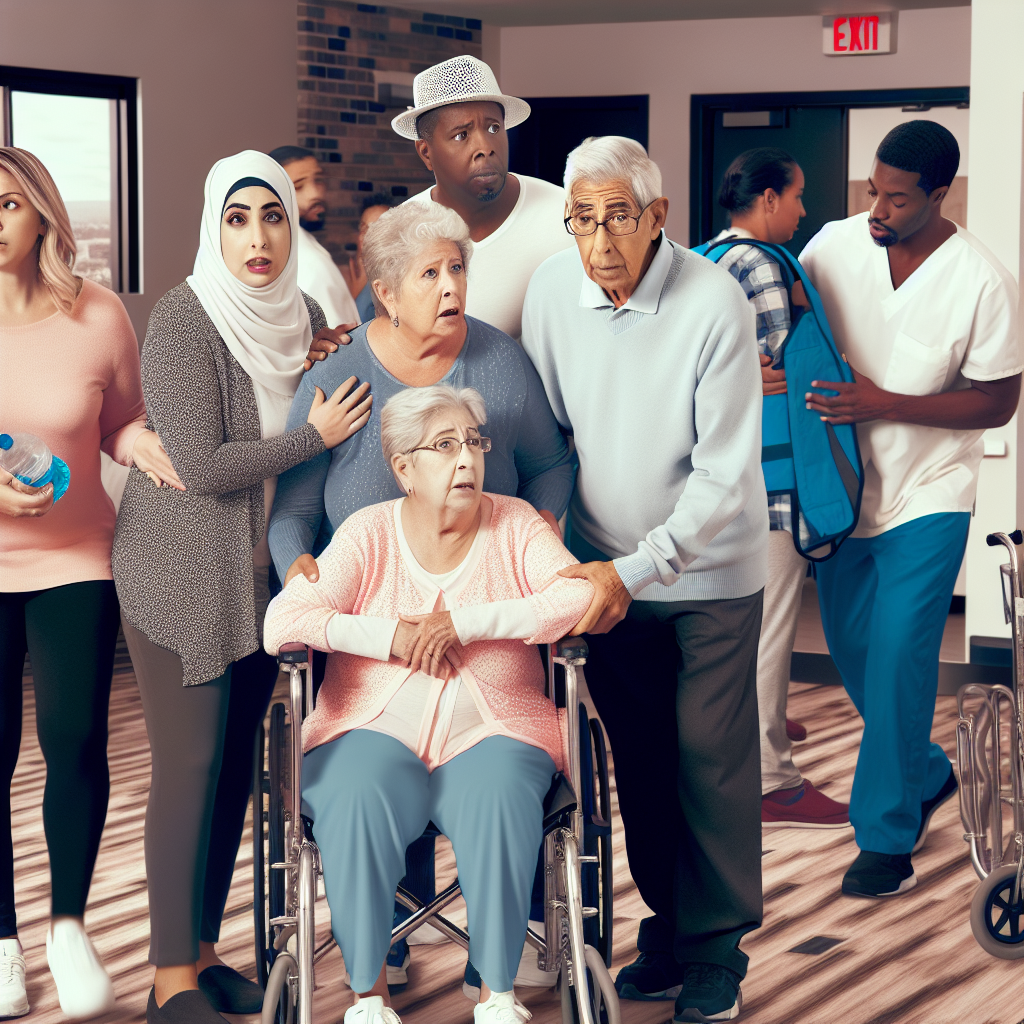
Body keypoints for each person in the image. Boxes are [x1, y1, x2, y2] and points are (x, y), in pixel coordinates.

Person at [268, 198, 574, 991]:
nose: (451, 286)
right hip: (372, 626)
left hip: (490, 620)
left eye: (459, 268)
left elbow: (548, 461)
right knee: (375, 761)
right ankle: (386, 938)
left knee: (489, 775)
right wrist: (302, 569)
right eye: (431, 273)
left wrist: (535, 531)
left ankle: (497, 960)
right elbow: (295, 512)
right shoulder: (338, 378)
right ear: (384, 290)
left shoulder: (498, 360)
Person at [111, 150, 371, 1024]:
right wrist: (317, 433)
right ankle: (166, 981)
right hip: (179, 577)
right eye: (237, 218)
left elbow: (292, 391)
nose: (257, 238)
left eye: (272, 216)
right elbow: (200, 463)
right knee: (188, 767)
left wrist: (319, 368)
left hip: (258, 580)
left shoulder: (295, 314)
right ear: (212, 228)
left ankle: (203, 953)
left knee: (231, 777)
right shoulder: (185, 320)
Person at [523, 136, 766, 1024]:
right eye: (581, 220)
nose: (598, 242)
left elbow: (725, 475)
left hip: (707, 574)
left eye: (616, 217)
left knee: (709, 756)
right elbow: (550, 434)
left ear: (659, 218)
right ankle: (669, 927)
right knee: (642, 762)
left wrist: (641, 567)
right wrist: (562, 555)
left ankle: (715, 950)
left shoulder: (715, 304)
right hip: (602, 574)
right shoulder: (554, 290)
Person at [263, 384, 594, 1024]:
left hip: (494, 728)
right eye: (444, 446)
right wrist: (390, 634)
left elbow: (575, 598)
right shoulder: (368, 533)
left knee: (499, 793)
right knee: (353, 792)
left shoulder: (516, 524)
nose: (467, 458)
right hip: (371, 725)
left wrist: (467, 624)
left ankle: (497, 995)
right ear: (403, 468)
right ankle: (369, 999)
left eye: (474, 441)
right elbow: (285, 620)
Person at [798, 120, 1021, 898]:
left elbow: (997, 402)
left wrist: (884, 403)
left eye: (897, 197)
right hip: (839, 494)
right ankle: (927, 771)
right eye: (873, 188)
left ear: (939, 194)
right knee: (858, 659)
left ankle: (885, 840)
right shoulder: (831, 245)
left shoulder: (982, 280)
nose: (878, 207)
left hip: (930, 497)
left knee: (897, 659)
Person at [0, 147, 181, 1021]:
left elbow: (120, 419)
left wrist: (138, 445)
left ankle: (68, 926)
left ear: (40, 214)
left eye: (5, 202)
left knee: (73, 738)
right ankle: (2, 941)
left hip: (76, 560)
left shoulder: (99, 315)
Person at [706, 148, 850, 830]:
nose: (800, 210)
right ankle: (770, 779)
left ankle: (749, 743)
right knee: (769, 634)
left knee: (737, 632)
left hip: (723, 482)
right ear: (766, 199)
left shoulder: (705, 259)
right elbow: (778, 375)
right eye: (794, 197)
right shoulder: (763, 266)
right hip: (772, 482)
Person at [395, 54, 574, 341]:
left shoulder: (565, 215)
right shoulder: (401, 231)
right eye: (461, 135)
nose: (485, 147)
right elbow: (389, 340)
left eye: (493, 128)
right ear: (426, 152)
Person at [269, 145, 361, 330]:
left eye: (318, 181)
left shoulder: (303, 245)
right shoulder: (305, 260)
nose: (315, 194)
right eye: (298, 186)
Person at [349, 193, 399, 323]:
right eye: (364, 228)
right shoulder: (345, 276)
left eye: (377, 228)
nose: (367, 236)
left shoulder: (402, 282)